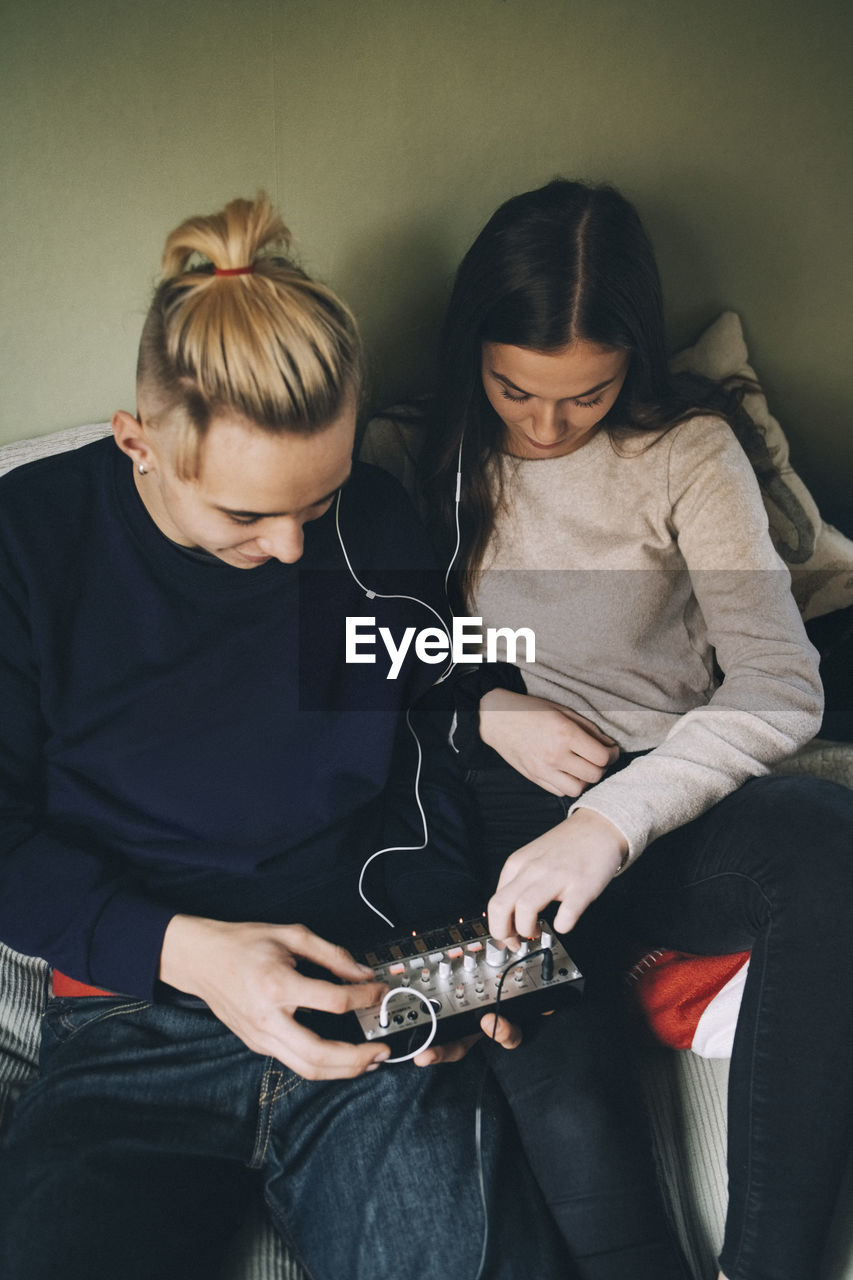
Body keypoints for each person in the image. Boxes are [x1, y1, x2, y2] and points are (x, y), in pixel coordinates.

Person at [0, 194, 569, 1280]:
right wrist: (192, 952)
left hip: (362, 993)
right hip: (132, 1026)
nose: (298, 546)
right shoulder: (31, 543)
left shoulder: (376, 523)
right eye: (247, 518)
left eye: (323, 494)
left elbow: (428, 722)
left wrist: (445, 968)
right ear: (139, 443)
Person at [364, 178, 853, 1280]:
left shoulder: (687, 449)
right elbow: (340, 647)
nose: (543, 424)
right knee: (563, 1095)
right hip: (492, 838)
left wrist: (610, 820)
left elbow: (780, 681)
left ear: (631, 357)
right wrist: (486, 703)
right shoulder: (412, 453)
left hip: (659, 798)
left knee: (830, 838)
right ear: (471, 355)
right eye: (513, 389)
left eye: (584, 396)